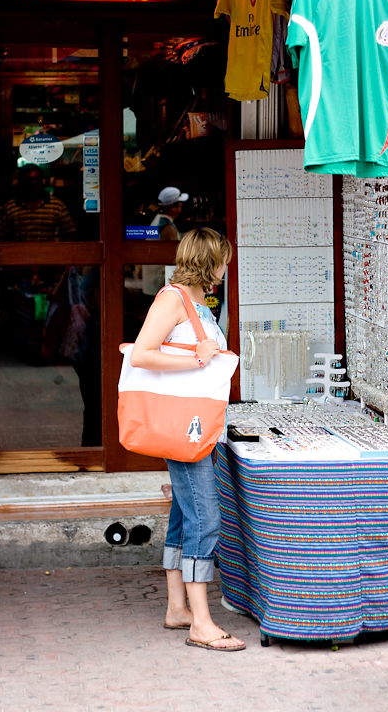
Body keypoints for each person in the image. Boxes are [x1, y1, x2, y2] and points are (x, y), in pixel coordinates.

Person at [131, 228, 245, 652]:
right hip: (187, 429)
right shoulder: (172, 299)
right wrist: (200, 357)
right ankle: (201, 622)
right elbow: (141, 353)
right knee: (205, 518)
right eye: (222, 260)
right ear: (208, 261)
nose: (225, 267)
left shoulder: (194, 303)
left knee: (184, 515)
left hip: (198, 425)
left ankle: (177, 608)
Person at [0, 165, 76, 241]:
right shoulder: (11, 207)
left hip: (50, 253)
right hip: (19, 253)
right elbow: (0, 236)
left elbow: (69, 233)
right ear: (21, 183)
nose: (33, 183)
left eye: (37, 179)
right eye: (28, 180)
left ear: (43, 181)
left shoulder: (57, 205)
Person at [141, 185, 189, 296]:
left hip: (153, 282)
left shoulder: (160, 221)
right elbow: (173, 254)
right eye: (180, 204)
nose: (181, 207)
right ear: (173, 206)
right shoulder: (166, 226)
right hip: (158, 283)